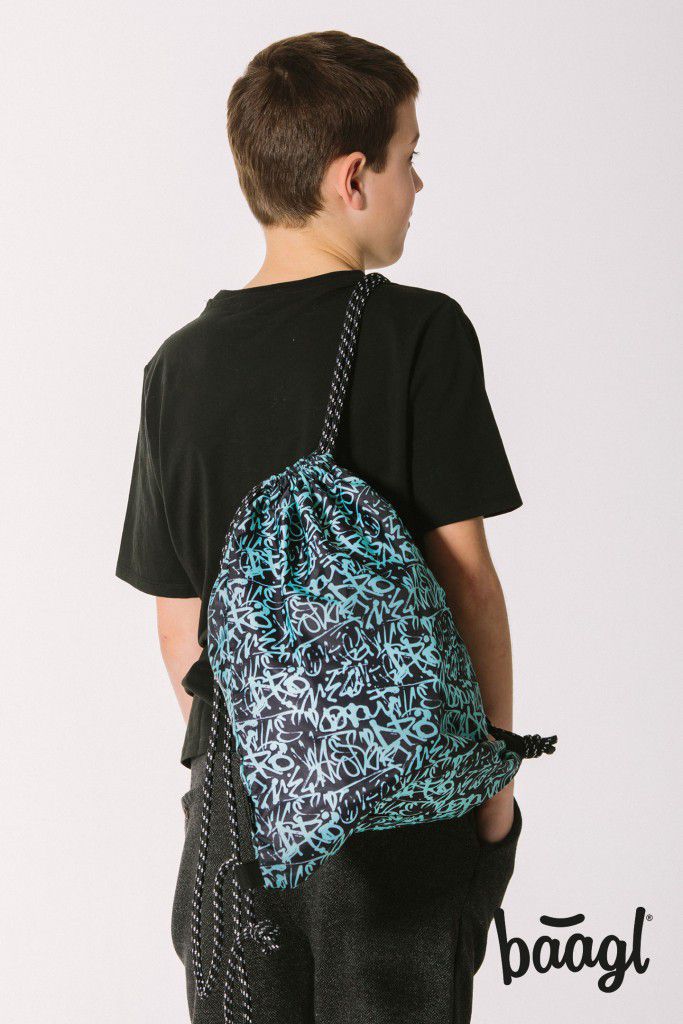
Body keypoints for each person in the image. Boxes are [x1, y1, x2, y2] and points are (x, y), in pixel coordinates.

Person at [115, 29, 525, 1024]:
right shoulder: (419, 332)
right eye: (408, 156)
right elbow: (466, 583)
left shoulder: (176, 368)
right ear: (352, 178)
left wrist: (269, 772)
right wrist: (491, 792)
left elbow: (181, 629)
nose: (416, 183)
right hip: (399, 820)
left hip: (237, 823)